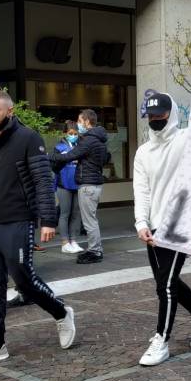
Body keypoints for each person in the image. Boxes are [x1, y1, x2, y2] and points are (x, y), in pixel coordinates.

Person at [0, 91, 76, 364]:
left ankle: (61, 313)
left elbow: (44, 181)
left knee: (24, 281)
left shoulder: (28, 139)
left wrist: (47, 221)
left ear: (9, 111)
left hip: (19, 223)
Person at [133, 91, 191, 367]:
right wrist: (141, 222)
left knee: (166, 285)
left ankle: (162, 339)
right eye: (152, 116)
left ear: (173, 115)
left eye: (162, 115)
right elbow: (142, 190)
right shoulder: (143, 152)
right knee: (166, 280)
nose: (157, 120)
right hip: (155, 227)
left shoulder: (187, 140)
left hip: (182, 225)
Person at [49, 109, 108, 265]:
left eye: (80, 121)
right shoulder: (100, 139)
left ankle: (95, 251)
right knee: (89, 218)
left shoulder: (89, 140)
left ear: (87, 122)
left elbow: (72, 155)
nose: (78, 125)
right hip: (93, 183)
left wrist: (52, 157)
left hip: (88, 185)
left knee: (89, 221)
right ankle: (94, 249)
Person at [54, 120, 84, 255]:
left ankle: (74, 240)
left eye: (75, 133)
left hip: (78, 183)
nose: (73, 135)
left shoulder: (81, 146)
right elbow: (54, 166)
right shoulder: (59, 147)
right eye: (70, 133)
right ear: (65, 133)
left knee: (76, 213)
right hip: (63, 184)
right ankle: (65, 242)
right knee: (65, 213)